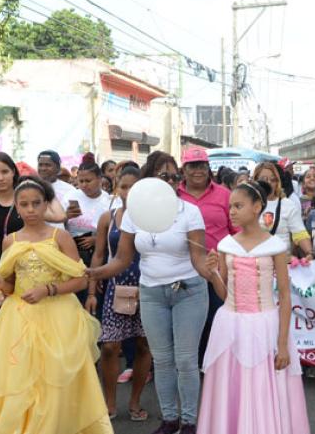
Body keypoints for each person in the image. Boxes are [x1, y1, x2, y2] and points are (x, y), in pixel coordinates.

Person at [0, 177, 113, 433]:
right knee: (21, 379)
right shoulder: (10, 240)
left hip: (58, 315)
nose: (30, 209)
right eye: (24, 204)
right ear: (16, 208)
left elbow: (80, 279)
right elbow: (10, 286)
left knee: (56, 378)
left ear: (46, 205)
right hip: (19, 317)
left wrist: (49, 289)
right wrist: (0, 282)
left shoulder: (60, 236)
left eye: (36, 203)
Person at [86, 151, 214, 433]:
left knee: (185, 359)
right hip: (152, 293)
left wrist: (215, 275)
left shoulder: (189, 211)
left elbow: (198, 259)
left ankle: (190, 423)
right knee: (163, 359)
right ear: (149, 179)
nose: (170, 181)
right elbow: (121, 259)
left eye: (173, 176)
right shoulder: (134, 214)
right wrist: (94, 274)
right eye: (163, 175)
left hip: (189, 291)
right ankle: (170, 419)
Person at [198, 180, 310, 434]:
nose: (232, 211)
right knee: (233, 385)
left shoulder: (275, 246)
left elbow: (284, 294)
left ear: (257, 206)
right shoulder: (227, 244)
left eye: (238, 206)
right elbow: (224, 293)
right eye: (230, 207)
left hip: (265, 325)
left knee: (262, 384)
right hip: (230, 323)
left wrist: (282, 343)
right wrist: (213, 273)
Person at [0, 152, 66, 334]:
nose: (0, 178)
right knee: (1, 329)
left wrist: (43, 189)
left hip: (29, 271)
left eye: (5, 171)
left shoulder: (27, 202)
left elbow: (59, 216)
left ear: (13, 172)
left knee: (31, 329)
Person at [86, 166, 152, 421]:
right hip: (116, 287)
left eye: (134, 187)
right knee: (110, 346)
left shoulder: (153, 217)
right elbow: (99, 254)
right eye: (124, 186)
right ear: (116, 188)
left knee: (144, 344)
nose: (128, 192)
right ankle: (109, 404)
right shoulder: (108, 217)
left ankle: (135, 402)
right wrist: (92, 290)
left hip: (147, 287)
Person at [176, 147, 236, 368]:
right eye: (192, 166)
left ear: (208, 167)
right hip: (183, 268)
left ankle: (215, 364)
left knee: (217, 318)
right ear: (184, 169)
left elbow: (237, 230)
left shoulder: (224, 195)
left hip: (219, 269)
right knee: (190, 323)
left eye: (201, 165)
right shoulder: (174, 196)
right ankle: (193, 365)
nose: (198, 170)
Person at [64, 157, 113, 297]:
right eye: (81, 181)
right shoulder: (70, 196)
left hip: (98, 252)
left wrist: (97, 238)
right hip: (72, 252)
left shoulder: (109, 201)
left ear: (99, 179)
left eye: (88, 181)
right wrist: (65, 216)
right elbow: (58, 222)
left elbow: (115, 228)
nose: (84, 185)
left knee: (94, 292)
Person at [252, 162, 313, 261]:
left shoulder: (288, 205)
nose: (269, 183)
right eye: (263, 179)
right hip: (256, 265)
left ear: (277, 182)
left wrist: (309, 253)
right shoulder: (248, 205)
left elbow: (300, 233)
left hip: (283, 264)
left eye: (273, 179)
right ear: (255, 181)